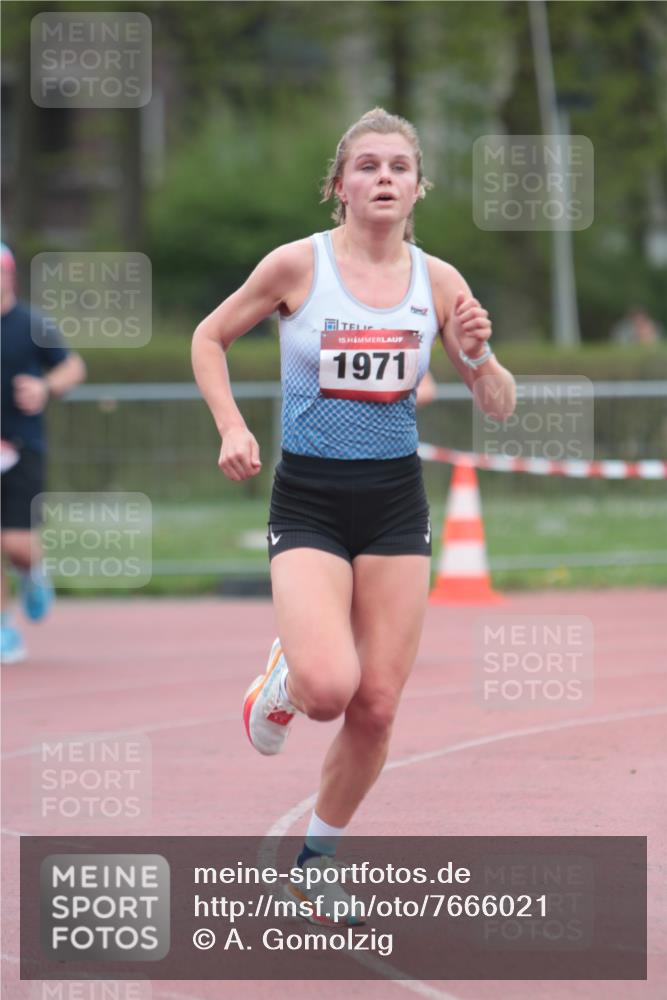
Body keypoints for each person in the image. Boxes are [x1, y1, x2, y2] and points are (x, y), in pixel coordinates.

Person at [192, 108, 516, 924]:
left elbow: (498, 404)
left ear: (417, 188)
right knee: (330, 689)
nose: (382, 178)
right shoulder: (296, 266)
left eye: (398, 167)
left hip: (393, 502)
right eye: (366, 166)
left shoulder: (438, 283)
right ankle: (284, 681)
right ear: (339, 186)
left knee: (375, 706)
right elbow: (208, 337)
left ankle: (314, 863)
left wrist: (479, 355)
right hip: (309, 497)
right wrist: (232, 426)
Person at [1, 242, 86, 663]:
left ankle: (32, 572)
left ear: (10, 276)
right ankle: (4, 628)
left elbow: (73, 367)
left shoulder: (33, 324)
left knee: (16, 544)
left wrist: (44, 387)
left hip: (22, 448)